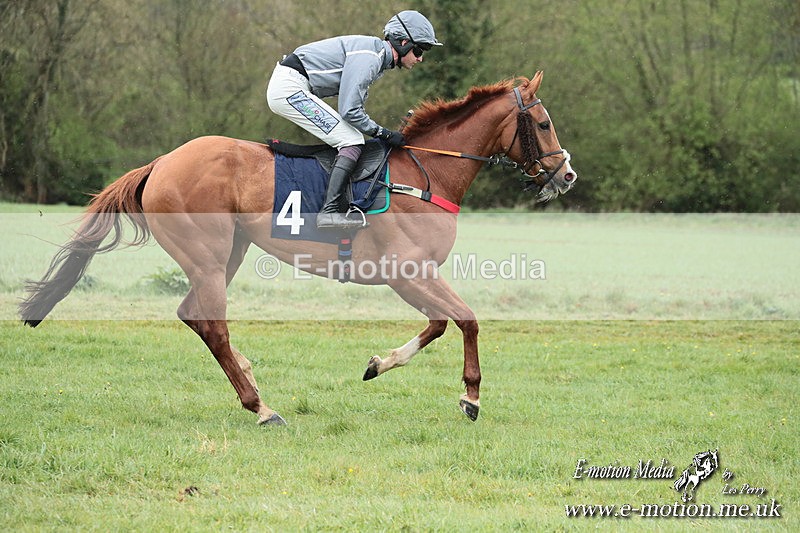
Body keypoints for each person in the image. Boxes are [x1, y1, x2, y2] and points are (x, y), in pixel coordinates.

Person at [267, 10, 443, 229]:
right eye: (418, 50)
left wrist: (379, 132)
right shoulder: (370, 57)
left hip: (292, 86)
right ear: (403, 42)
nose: (420, 58)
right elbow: (350, 111)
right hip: (289, 89)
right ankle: (329, 212)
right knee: (351, 140)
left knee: (350, 137)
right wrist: (384, 133)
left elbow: (352, 110)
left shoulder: (375, 55)